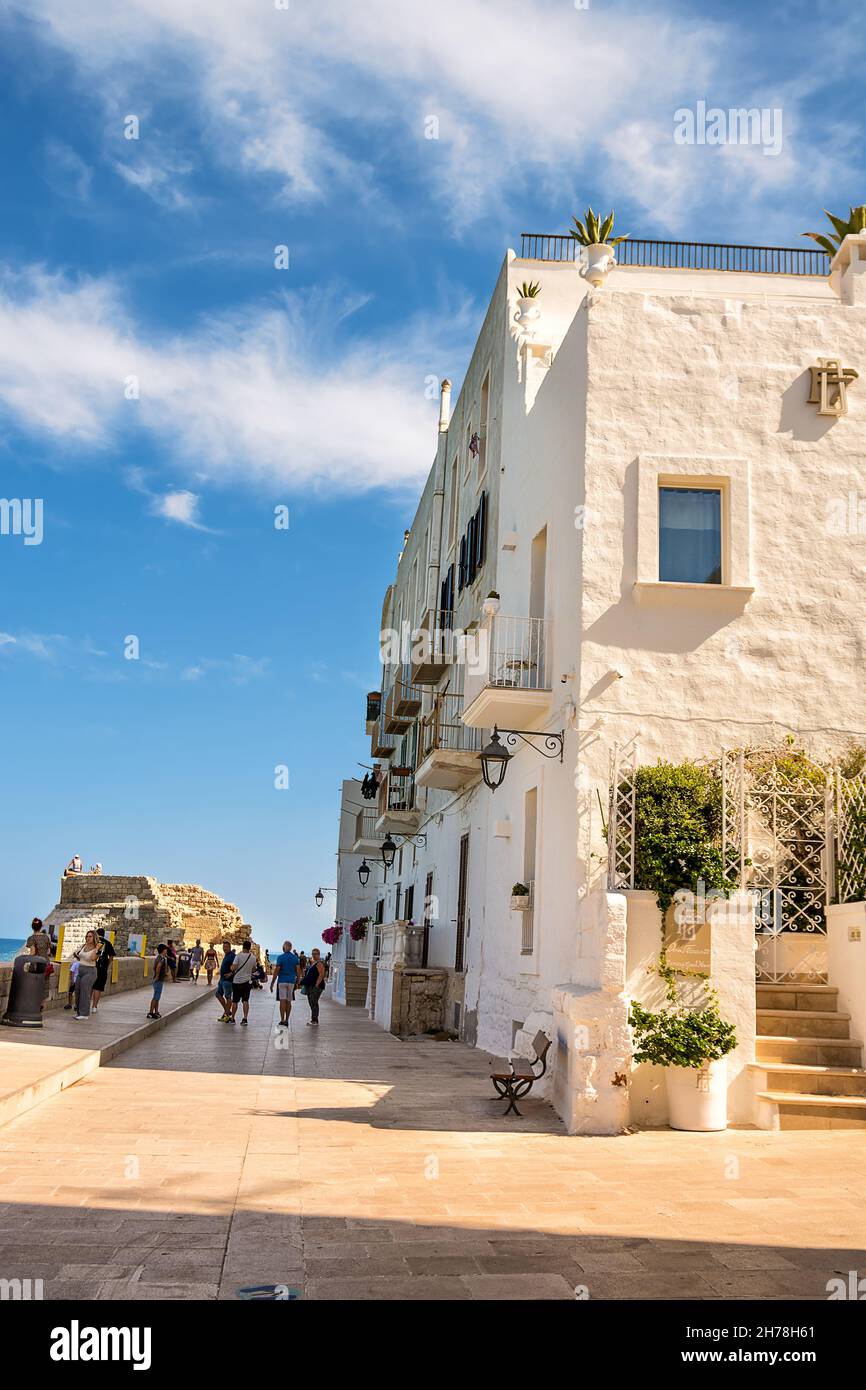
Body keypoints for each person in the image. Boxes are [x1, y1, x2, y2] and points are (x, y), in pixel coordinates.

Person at [270, 940, 300, 1027]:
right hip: (291, 981)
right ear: (290, 948)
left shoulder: (280, 957)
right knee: (289, 1001)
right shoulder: (295, 958)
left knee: (282, 1001)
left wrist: (272, 983)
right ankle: (287, 1019)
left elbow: (276, 971)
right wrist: (298, 981)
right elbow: (298, 971)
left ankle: (282, 1020)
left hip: (282, 981)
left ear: (284, 948)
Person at [72, 930, 100, 1019]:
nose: (88, 938)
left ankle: (84, 1014)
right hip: (81, 970)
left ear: (94, 937)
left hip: (90, 971)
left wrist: (97, 949)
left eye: (90, 936)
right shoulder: (84, 946)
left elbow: (92, 958)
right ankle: (79, 1012)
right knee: (78, 990)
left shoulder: (97, 948)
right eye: (87, 936)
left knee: (85, 992)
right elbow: (78, 955)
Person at [229, 940, 256, 1026]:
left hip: (237, 981)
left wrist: (230, 967)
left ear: (242, 947)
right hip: (247, 982)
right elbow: (254, 969)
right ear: (249, 947)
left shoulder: (238, 956)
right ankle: (245, 1019)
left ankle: (233, 1019)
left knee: (235, 1001)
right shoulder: (253, 957)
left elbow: (233, 968)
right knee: (245, 1000)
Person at [90, 928, 116, 1013]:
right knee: (98, 988)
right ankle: (94, 1007)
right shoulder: (108, 943)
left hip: (91, 966)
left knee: (89, 987)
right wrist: (107, 964)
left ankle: (86, 1004)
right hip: (102, 968)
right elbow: (111, 957)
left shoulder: (93, 942)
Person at [302, 949, 326, 1027]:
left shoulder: (319, 963)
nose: (314, 955)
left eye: (315, 954)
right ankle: (313, 1019)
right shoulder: (313, 963)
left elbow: (321, 975)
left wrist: (316, 985)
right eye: (313, 954)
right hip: (310, 986)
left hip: (316, 986)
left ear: (319, 954)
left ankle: (315, 1020)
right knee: (311, 1002)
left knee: (314, 1002)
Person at [148, 943, 170, 1020]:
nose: (167, 950)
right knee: (156, 996)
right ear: (164, 950)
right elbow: (158, 967)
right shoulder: (162, 959)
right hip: (158, 980)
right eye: (166, 949)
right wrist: (157, 976)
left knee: (157, 997)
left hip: (158, 979)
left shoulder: (159, 957)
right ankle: (150, 1012)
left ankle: (156, 1011)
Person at [215, 940, 236, 1022]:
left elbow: (236, 967)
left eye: (226, 947)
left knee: (228, 997)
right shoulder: (226, 955)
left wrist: (231, 974)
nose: (225, 948)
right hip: (222, 980)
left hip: (228, 981)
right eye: (224, 947)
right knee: (218, 994)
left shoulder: (232, 956)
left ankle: (226, 1015)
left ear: (230, 947)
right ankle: (227, 1011)